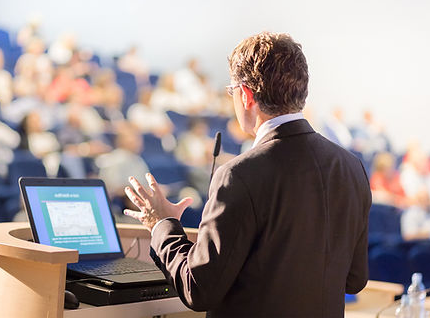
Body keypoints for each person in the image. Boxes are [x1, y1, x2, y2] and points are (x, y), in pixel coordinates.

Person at [123, 32, 371, 317]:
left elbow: (198, 288)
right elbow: (354, 279)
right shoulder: (352, 167)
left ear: (245, 94)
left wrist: (161, 225)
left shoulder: (239, 175)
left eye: (231, 91)